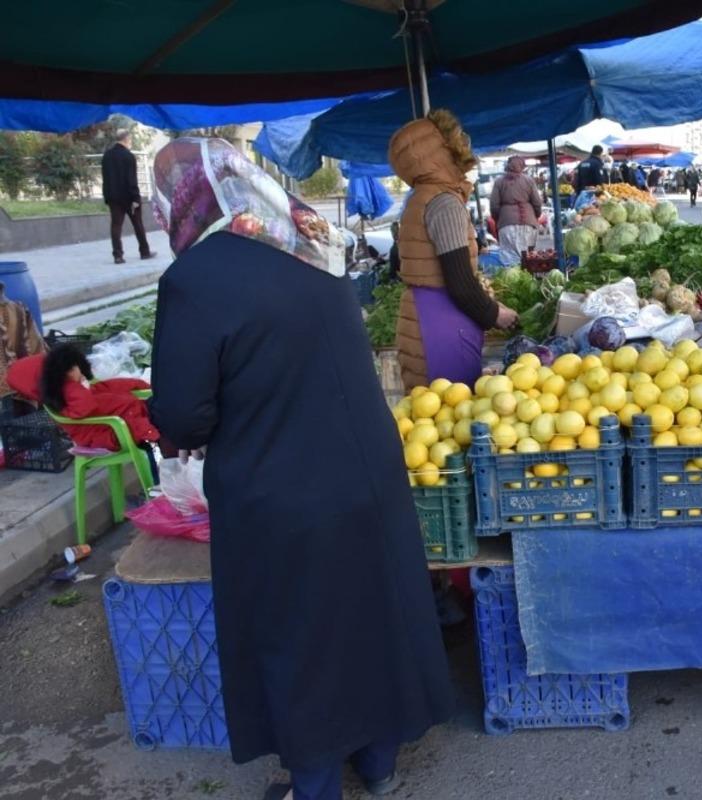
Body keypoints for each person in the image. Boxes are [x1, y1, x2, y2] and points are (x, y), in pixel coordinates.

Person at [145, 137, 454, 800]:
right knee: (370, 615)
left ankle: (313, 786)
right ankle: (378, 765)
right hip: (369, 473)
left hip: (279, 488)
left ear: (184, 196)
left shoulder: (196, 277)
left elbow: (182, 416)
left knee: (300, 636)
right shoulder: (310, 244)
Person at [389, 110, 518, 389]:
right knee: (452, 415)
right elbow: (459, 282)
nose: (465, 143)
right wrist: (495, 314)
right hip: (442, 326)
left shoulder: (419, 198)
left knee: (430, 414)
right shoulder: (443, 203)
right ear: (442, 149)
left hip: (422, 317)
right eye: (458, 137)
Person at [7, 345, 174, 479]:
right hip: (108, 433)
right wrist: (76, 385)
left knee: (171, 420)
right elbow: (85, 407)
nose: (77, 370)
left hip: (127, 419)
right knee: (161, 438)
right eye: (72, 367)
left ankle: (166, 484)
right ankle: (157, 488)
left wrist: (140, 384)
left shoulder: (74, 390)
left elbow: (108, 387)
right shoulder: (69, 395)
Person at [101, 129, 155, 264]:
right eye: (130, 140)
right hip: (129, 198)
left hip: (113, 197)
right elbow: (132, 180)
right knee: (138, 224)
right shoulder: (128, 156)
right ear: (126, 139)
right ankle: (144, 252)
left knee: (116, 226)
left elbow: (105, 178)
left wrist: (107, 197)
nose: (130, 142)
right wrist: (136, 198)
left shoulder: (107, 156)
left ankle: (117, 256)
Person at [489, 155, 542, 254]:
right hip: (528, 224)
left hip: (506, 224)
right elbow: (537, 203)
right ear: (522, 166)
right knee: (528, 258)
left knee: (509, 259)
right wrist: (536, 215)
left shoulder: (499, 182)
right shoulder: (529, 180)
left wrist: (498, 219)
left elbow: (494, 205)